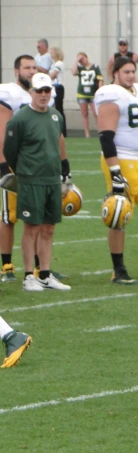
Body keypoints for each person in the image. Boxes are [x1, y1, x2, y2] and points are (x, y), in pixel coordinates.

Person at [95, 56, 138, 284]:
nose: (130, 75)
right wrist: (115, 171)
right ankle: (119, 269)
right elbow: (106, 137)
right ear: (115, 73)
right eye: (126, 71)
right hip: (122, 160)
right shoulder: (110, 94)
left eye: (132, 71)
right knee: (119, 214)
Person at [3, 73, 71, 292]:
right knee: (31, 227)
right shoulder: (20, 118)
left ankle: (45, 274)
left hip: (51, 179)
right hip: (31, 179)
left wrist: (63, 172)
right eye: (39, 91)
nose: (43, 95)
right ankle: (28, 275)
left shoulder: (55, 116)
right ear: (31, 92)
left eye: (47, 91)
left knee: (49, 228)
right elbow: (10, 150)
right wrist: (23, 172)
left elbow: (58, 145)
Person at [0, 55, 37, 284]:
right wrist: (3, 165)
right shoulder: (9, 93)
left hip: (35, 163)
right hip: (15, 161)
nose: (31, 71)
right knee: (9, 216)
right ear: (16, 71)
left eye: (34, 67)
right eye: (26, 67)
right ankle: (6, 265)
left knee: (36, 216)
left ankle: (37, 266)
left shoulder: (40, 93)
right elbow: (2, 130)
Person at [72, 52, 104, 138]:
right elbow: (74, 72)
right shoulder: (80, 68)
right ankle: (87, 134)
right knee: (84, 114)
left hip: (93, 93)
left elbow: (100, 79)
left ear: (86, 57)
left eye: (83, 58)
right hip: (82, 93)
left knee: (96, 113)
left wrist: (100, 91)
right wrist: (76, 61)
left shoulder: (95, 67)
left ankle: (100, 131)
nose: (82, 61)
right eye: (80, 59)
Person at [48, 46, 66, 137]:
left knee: (59, 109)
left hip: (57, 87)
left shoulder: (59, 63)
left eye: (52, 52)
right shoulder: (53, 64)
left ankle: (62, 131)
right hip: (52, 87)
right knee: (54, 108)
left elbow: (52, 75)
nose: (51, 53)